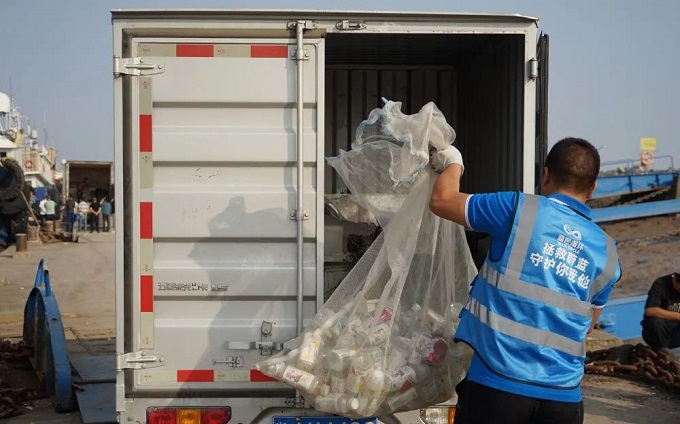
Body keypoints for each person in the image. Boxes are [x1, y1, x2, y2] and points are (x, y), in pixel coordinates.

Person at [429, 137, 622, 424]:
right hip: (565, 400)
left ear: (546, 175)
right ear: (592, 188)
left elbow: (441, 200)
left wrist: (453, 162)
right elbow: (587, 324)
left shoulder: (516, 209)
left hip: (498, 387)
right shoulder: (608, 253)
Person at [641, 272, 680, 357]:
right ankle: (664, 353)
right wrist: (677, 316)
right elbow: (650, 310)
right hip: (658, 333)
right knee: (655, 321)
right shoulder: (661, 284)